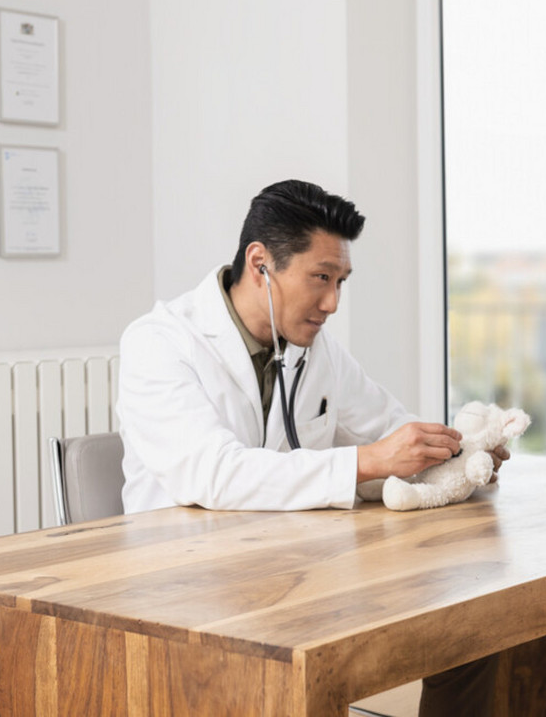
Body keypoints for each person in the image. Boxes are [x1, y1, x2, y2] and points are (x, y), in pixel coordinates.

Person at [117, 178, 503, 715]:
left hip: (292, 572)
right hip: (186, 596)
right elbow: (211, 473)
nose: (333, 303)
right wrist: (368, 461)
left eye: (342, 281)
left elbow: (388, 425)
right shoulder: (159, 344)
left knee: (470, 629)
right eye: (321, 278)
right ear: (260, 264)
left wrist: (458, 454)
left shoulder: (313, 349)